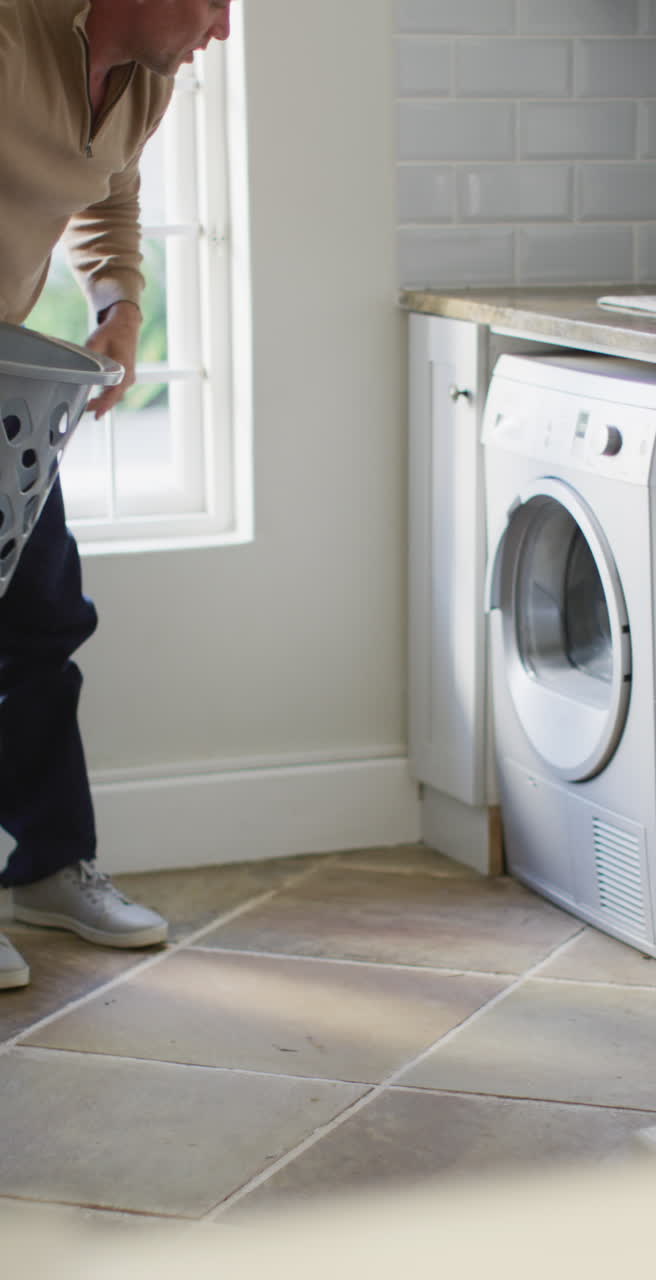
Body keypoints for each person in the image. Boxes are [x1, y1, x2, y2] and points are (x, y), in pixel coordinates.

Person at [0, 0, 233, 990]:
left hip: (6, 387)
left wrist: (120, 302)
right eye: (214, 0)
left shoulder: (146, 77)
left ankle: (45, 866)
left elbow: (112, 193)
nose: (222, 29)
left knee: (44, 619)